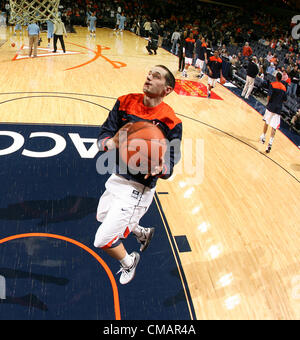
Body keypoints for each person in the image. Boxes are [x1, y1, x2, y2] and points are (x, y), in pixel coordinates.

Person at [94, 65, 182, 285]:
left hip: (138, 188)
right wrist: (111, 143)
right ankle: (142, 232)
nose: (149, 76)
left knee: (103, 239)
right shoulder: (124, 102)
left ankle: (129, 262)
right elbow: (102, 136)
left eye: (157, 76)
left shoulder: (171, 121)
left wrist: (160, 169)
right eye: (149, 73)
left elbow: (171, 161)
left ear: (167, 89)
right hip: (117, 177)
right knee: (102, 216)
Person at [260, 72, 287, 153]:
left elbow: (269, 95)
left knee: (266, 122)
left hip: (271, 107)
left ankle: (263, 137)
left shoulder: (273, 84)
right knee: (274, 127)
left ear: (276, 77)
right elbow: (285, 99)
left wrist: (268, 102)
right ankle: (270, 143)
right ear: (281, 78)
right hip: (278, 109)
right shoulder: (284, 88)